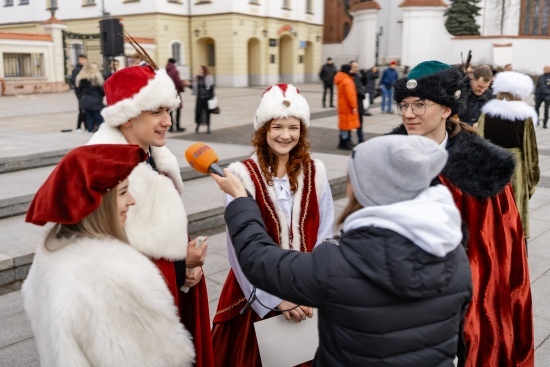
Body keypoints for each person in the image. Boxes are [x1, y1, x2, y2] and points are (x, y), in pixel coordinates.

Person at [210, 134, 472, 367]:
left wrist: (242, 201)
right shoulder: (455, 256)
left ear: (368, 191)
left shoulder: (340, 264)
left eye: (353, 179)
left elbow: (259, 260)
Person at [390, 60, 534, 367]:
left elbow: (501, 257)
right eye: (404, 104)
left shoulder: (483, 170)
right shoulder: (384, 157)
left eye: (419, 104)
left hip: (459, 314)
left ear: (446, 109)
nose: (408, 113)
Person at [88, 63, 215, 367]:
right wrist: (183, 263)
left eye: (169, 111)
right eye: (157, 112)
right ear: (128, 116)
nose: (168, 121)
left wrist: (184, 269)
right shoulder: (109, 171)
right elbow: (112, 263)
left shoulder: (151, 157)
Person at [22, 144, 195, 367]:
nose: (132, 201)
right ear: (99, 204)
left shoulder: (50, 253)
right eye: (123, 192)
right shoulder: (115, 275)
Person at [211, 83, 335, 367]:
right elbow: (237, 248)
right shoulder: (240, 175)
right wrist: (275, 299)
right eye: (277, 127)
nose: (285, 135)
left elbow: (325, 233)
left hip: (307, 286)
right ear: (263, 129)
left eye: (293, 128)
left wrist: (313, 289)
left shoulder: (317, 170)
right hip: (257, 288)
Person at [477, 71, 540, 239]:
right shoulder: (524, 117)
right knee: (515, 209)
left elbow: (480, 145)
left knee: (493, 208)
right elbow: (531, 151)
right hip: (516, 168)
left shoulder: (487, 114)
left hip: (492, 166)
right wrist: (532, 180)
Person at [334, 64, 360, 150]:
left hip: (342, 106)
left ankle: (343, 142)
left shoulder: (341, 79)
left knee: (343, 125)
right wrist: (353, 106)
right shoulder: (347, 81)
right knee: (346, 126)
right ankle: (345, 142)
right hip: (347, 107)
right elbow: (350, 95)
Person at [75, 62, 105, 133]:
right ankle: (100, 134)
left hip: (85, 101)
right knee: (99, 120)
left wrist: (81, 98)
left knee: (89, 119)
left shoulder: (80, 79)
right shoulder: (97, 78)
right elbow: (102, 91)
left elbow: (78, 91)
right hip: (96, 102)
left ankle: (90, 132)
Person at [166, 58, 187, 132]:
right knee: (178, 109)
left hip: (168, 93)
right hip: (175, 93)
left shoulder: (166, 71)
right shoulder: (175, 71)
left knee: (170, 111)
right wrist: (182, 89)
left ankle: (171, 127)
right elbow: (178, 82)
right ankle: (178, 126)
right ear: (174, 63)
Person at [192, 65, 215, 134]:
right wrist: (189, 84)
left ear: (204, 70)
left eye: (201, 69)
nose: (199, 70)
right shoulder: (197, 77)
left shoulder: (208, 77)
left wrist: (211, 98)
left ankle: (208, 127)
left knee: (207, 113)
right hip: (199, 98)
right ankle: (197, 126)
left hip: (206, 98)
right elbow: (194, 87)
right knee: (198, 112)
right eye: (199, 69)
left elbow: (211, 89)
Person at [70, 53, 87, 131]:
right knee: (82, 109)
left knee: (85, 110)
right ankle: (79, 127)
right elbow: (74, 81)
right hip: (80, 92)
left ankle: (86, 126)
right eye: (80, 59)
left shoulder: (87, 68)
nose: (81, 61)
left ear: (86, 60)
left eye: (83, 59)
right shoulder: (76, 69)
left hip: (86, 91)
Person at [350, 60, 366, 143]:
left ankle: (360, 139)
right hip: (353, 103)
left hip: (359, 103)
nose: (356, 68)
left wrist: (364, 75)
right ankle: (348, 140)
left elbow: (363, 84)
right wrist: (362, 94)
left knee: (360, 123)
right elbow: (355, 90)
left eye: (357, 67)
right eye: (354, 67)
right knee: (350, 123)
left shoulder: (357, 76)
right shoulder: (349, 77)